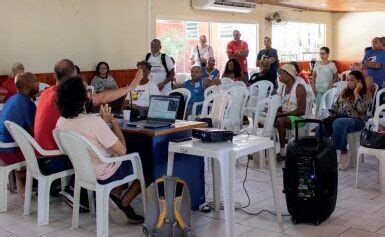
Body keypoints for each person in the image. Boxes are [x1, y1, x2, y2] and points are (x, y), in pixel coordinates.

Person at [34, 59, 142, 210]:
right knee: (134, 156)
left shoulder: (48, 96)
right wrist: (131, 87)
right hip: (58, 160)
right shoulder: (89, 120)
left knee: (87, 149)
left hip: (40, 156)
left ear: (54, 75)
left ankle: (101, 196)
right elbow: (103, 98)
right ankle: (102, 197)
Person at [56, 76, 144, 224]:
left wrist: (103, 123)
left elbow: (89, 139)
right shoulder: (94, 122)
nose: (91, 93)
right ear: (81, 97)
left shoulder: (61, 122)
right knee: (145, 161)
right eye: (87, 91)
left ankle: (112, 197)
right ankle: (123, 203)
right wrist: (113, 122)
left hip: (84, 172)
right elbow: (122, 151)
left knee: (126, 158)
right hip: (105, 173)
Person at [317, 71, 372, 170]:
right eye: (348, 80)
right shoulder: (344, 92)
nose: (349, 82)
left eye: (352, 80)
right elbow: (335, 108)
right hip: (340, 118)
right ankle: (323, 155)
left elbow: (361, 110)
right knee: (321, 125)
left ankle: (343, 152)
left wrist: (356, 92)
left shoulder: (365, 93)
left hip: (357, 120)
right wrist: (330, 115)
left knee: (339, 122)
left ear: (359, 81)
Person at [0, 72, 39, 199]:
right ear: (28, 86)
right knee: (44, 151)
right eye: (35, 81)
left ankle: (21, 180)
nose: (38, 84)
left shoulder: (12, 99)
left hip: (2, 147)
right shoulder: (27, 104)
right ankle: (26, 180)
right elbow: (35, 133)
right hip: (12, 152)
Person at [275, 64, 307, 161]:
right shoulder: (284, 88)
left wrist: (282, 114)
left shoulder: (299, 87)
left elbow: (301, 111)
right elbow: (285, 105)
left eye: (282, 74)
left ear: (290, 75)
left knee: (280, 120)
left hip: (299, 118)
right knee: (265, 118)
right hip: (287, 116)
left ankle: (283, 152)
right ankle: (261, 151)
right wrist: (275, 110)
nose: (280, 76)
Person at [312, 46, 338, 115]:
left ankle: (326, 121)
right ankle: (317, 120)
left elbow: (336, 77)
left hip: (328, 89)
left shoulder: (332, 64)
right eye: (320, 54)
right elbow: (313, 77)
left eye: (323, 53)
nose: (321, 55)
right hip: (318, 88)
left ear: (328, 54)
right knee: (318, 106)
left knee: (328, 106)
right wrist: (313, 88)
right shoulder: (317, 64)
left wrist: (331, 82)